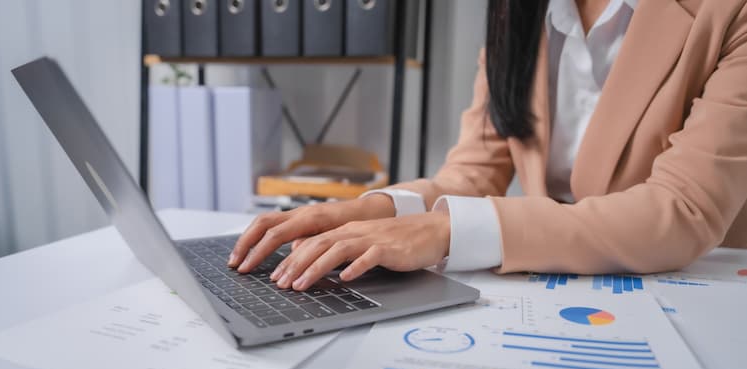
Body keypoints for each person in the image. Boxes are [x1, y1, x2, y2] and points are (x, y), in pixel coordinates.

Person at [229, 0, 747, 292]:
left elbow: (683, 210)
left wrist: (449, 229)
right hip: (559, 284)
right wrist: (374, 209)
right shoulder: (516, 11)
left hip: (700, 290)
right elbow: (472, 174)